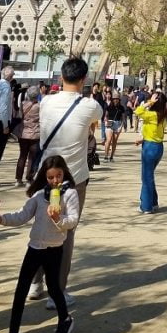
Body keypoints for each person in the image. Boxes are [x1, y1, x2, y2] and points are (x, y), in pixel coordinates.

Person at [0, 155, 80, 333]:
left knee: (54, 288)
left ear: (64, 174)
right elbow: (22, 215)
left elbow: (72, 220)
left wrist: (58, 218)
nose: (55, 181)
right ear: (44, 177)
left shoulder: (70, 194)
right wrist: (0, 219)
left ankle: (65, 319)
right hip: (35, 248)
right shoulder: (39, 195)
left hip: (54, 249)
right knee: (21, 290)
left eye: (59, 176)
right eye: (50, 177)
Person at [29, 56, 102, 307]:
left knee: (42, 227)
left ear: (61, 77)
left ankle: (36, 283)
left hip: (46, 174)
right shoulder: (89, 105)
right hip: (73, 177)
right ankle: (57, 291)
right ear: (84, 80)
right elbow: (95, 121)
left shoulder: (46, 100)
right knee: (65, 231)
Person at [135, 89, 167, 214]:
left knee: (146, 177)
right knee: (149, 176)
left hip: (149, 147)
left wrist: (149, 102)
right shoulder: (163, 116)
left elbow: (138, 111)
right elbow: (153, 131)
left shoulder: (152, 115)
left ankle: (146, 206)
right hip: (158, 146)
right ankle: (153, 202)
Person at [14, 85, 40, 187]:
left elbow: (20, 116)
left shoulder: (23, 104)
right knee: (32, 158)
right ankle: (29, 179)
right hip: (35, 134)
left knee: (22, 156)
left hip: (23, 133)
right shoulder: (39, 106)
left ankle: (18, 179)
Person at [104, 93, 125, 161]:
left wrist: (121, 126)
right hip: (110, 123)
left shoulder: (121, 108)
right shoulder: (109, 107)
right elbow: (106, 115)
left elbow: (123, 118)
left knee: (114, 141)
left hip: (118, 124)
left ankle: (111, 156)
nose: (116, 100)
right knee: (109, 139)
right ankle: (106, 156)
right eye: (114, 99)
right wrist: (106, 121)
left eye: (117, 99)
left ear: (119, 100)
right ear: (112, 99)